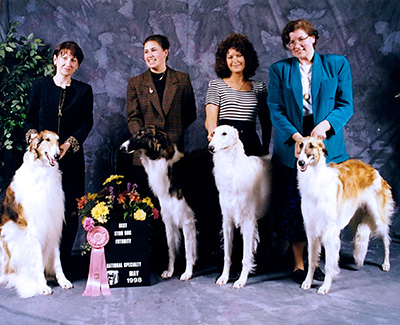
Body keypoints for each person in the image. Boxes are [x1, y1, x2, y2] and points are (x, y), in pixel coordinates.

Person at [267, 19, 353, 284]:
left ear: (313, 38)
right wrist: (296, 138)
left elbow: (345, 104)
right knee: (295, 205)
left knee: (328, 205)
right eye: (291, 42)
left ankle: (327, 259)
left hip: (326, 142)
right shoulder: (279, 70)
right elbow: (275, 108)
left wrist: (325, 126)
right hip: (293, 140)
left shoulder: (337, 64)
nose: (297, 45)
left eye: (301, 39)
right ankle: (300, 264)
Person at [125, 34, 196, 271]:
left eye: (154, 50)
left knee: (178, 211)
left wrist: (167, 141)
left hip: (174, 158)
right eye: (145, 51)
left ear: (166, 52)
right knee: (149, 210)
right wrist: (146, 138)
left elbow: (190, 113)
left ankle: (182, 261)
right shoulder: (136, 82)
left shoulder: (182, 79)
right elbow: (133, 117)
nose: (149, 55)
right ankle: (153, 261)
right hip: (145, 158)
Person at [25, 41, 93, 280]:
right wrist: (35, 139)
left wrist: (68, 144)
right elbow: (30, 119)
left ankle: (61, 266)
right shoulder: (40, 86)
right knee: (42, 211)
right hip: (42, 164)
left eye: (73, 60)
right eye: (64, 57)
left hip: (71, 160)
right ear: (55, 59)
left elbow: (87, 124)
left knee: (71, 211)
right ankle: (39, 266)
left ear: (77, 66)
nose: (68, 63)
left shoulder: (84, 91)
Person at [205, 33, 271, 156]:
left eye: (239, 55)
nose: (235, 60)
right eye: (230, 57)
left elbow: (266, 123)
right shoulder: (216, 85)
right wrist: (211, 132)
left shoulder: (259, 87)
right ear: (224, 61)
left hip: (251, 146)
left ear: (247, 58)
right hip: (225, 145)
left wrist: (266, 148)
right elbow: (211, 118)